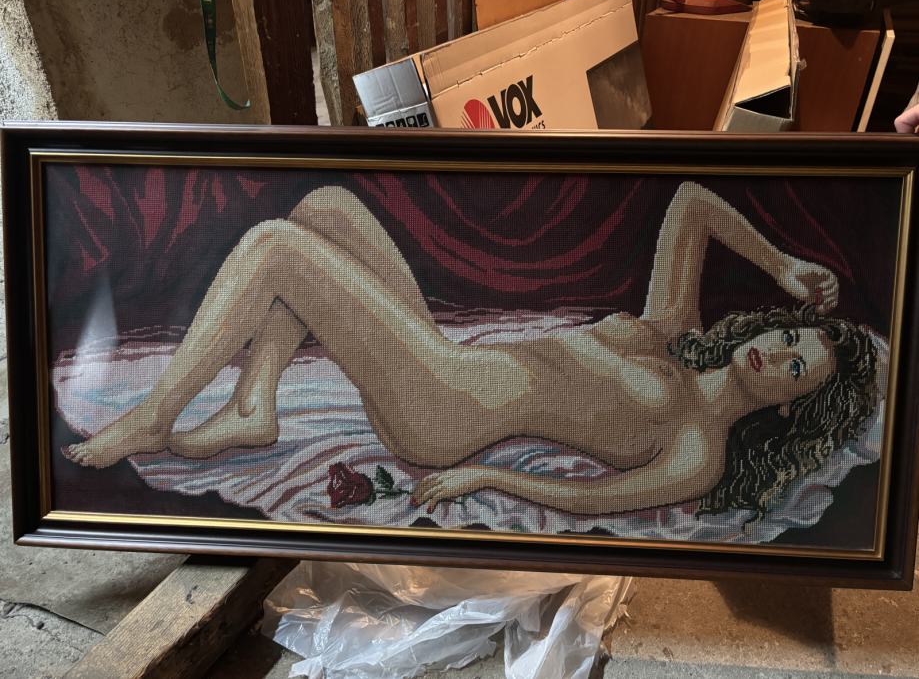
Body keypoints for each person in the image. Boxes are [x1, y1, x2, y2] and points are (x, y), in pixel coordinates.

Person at [64, 181, 878, 518]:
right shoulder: (675, 327)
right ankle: (255, 406)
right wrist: (780, 264)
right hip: (445, 361)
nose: (776, 352)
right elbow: (692, 200)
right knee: (325, 206)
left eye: (795, 368)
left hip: (444, 412)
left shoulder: (698, 449)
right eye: (787, 334)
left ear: (790, 406)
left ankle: (158, 412)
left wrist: (484, 477)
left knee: (277, 245)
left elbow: (590, 502)